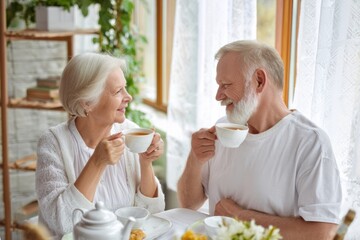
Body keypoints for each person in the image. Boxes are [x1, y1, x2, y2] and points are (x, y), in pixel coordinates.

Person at [177, 40, 342, 239]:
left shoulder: (310, 142)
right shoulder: (223, 130)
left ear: (259, 80)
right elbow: (188, 204)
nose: (218, 96)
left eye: (226, 85)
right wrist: (195, 160)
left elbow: (323, 233)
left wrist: (240, 216)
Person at [35, 52, 165, 239]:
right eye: (118, 91)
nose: (128, 97)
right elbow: (63, 222)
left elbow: (152, 213)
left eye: (125, 88)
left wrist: (145, 163)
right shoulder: (53, 143)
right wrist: (97, 162)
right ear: (87, 102)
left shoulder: (131, 132)